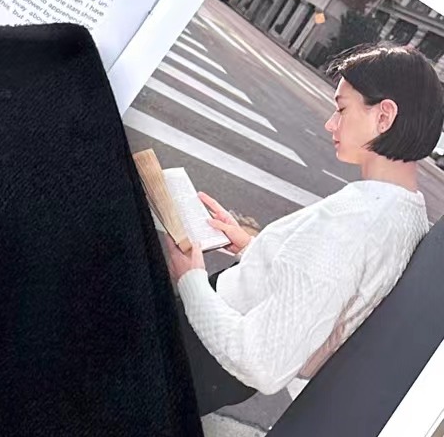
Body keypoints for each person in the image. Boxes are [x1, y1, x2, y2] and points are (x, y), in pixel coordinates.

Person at [160, 40, 440, 416]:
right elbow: (323, 288)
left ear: (384, 116)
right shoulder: (408, 213)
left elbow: (261, 362)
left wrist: (190, 279)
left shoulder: (353, 222)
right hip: (218, 358)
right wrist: (255, 249)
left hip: (205, 348)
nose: (330, 123)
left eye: (342, 108)